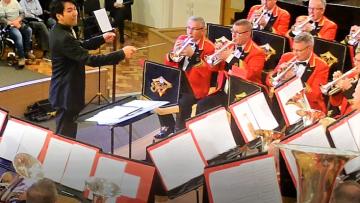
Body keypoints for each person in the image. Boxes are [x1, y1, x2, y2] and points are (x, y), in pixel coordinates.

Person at [49, 0, 137, 139]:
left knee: (67, 134)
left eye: (75, 9)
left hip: (66, 89)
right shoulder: (63, 37)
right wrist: (121, 53)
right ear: (59, 15)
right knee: (65, 137)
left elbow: (80, 45)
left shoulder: (60, 29)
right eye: (69, 10)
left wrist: (101, 38)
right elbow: (91, 60)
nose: (75, 13)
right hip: (66, 92)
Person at [154, 16, 215, 139]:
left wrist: (193, 56)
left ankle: (180, 130)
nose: (190, 32)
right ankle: (167, 125)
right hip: (178, 78)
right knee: (156, 89)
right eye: (188, 28)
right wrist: (171, 56)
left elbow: (207, 72)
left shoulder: (209, 47)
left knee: (183, 102)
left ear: (203, 30)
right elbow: (169, 63)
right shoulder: (182, 38)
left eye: (194, 29)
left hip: (196, 85)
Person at [196, 19, 266, 114]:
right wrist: (216, 55)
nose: (233, 35)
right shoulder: (230, 46)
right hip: (226, 89)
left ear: (248, 34)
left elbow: (249, 74)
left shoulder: (258, 52)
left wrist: (229, 58)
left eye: (238, 33)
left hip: (244, 93)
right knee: (202, 105)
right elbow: (214, 68)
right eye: (232, 31)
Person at [266, 32, 329, 113]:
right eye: (293, 49)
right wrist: (278, 74)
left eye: (298, 50)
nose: (294, 53)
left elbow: (314, 95)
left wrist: (293, 79)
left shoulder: (321, 66)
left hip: (306, 107)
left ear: (309, 48)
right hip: (283, 100)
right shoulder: (287, 56)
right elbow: (269, 81)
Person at [0, 0, 35, 68]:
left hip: (18, 22)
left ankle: (27, 52)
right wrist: (12, 23)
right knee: (18, 35)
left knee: (29, 30)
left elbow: (22, 13)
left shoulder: (15, 2)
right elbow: (1, 18)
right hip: (8, 25)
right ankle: (21, 57)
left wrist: (18, 21)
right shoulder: (1, 4)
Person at [329, 51, 360, 116]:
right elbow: (336, 103)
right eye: (355, 60)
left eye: (359, 61)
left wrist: (348, 89)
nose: (355, 63)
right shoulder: (352, 74)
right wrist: (337, 84)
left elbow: (357, 107)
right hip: (343, 115)